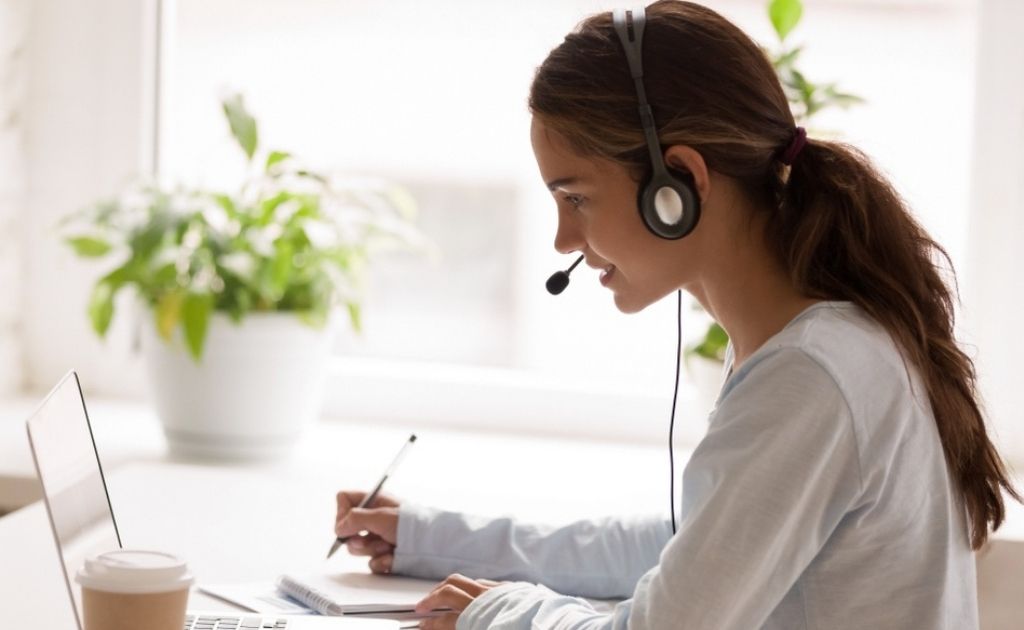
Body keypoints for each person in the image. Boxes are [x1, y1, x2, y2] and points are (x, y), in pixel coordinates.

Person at [334, 2, 1019, 629]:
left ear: (679, 186)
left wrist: (498, 614)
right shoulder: (814, 344)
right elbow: (691, 542)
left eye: (575, 198)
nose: (563, 241)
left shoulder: (811, 375)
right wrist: (439, 538)